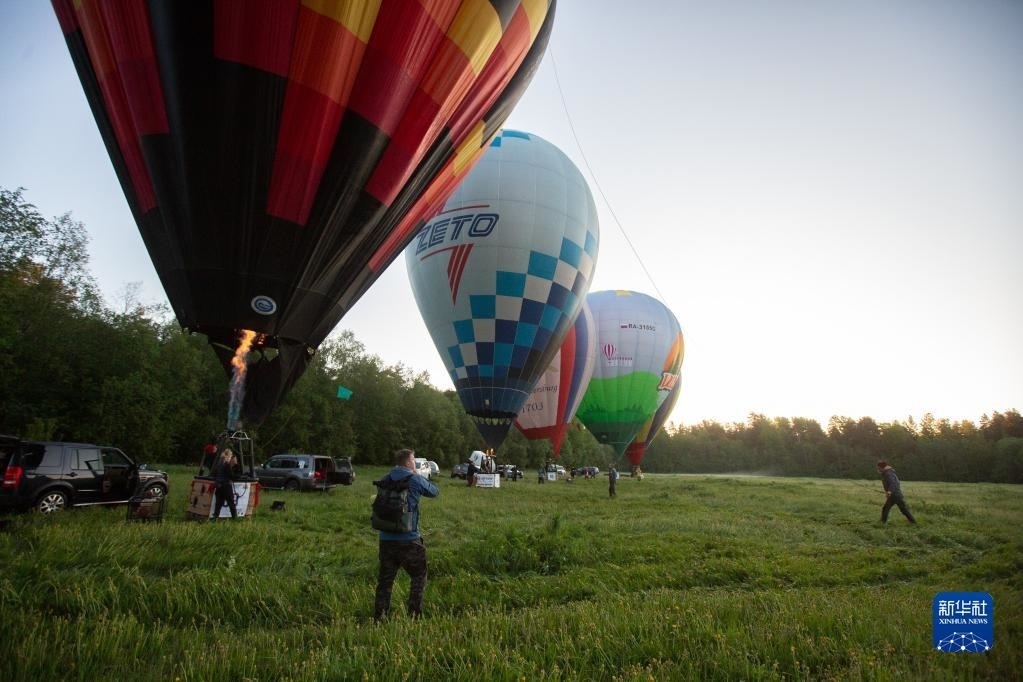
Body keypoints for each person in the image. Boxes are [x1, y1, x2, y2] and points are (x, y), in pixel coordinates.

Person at [374, 448, 439, 620]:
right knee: (419, 576)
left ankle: (380, 616)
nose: (414, 462)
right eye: (413, 459)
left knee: (385, 580)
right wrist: (417, 475)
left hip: (386, 539)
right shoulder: (415, 479)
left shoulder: (385, 479)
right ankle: (414, 615)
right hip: (409, 539)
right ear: (409, 462)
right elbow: (434, 491)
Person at [877, 460, 916, 524]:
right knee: (886, 508)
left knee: (903, 509)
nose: (878, 469)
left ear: (881, 467)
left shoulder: (888, 473)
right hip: (893, 495)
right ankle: (883, 522)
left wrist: (890, 491)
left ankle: (913, 522)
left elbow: (893, 483)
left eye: (878, 468)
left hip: (896, 494)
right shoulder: (887, 472)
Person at [211, 448, 238, 520]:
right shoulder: (227, 464)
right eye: (231, 455)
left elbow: (214, 474)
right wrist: (235, 468)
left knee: (218, 503)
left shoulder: (219, 463)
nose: (231, 457)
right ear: (229, 455)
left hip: (219, 486)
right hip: (226, 486)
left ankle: (215, 517)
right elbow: (231, 476)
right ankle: (235, 518)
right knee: (231, 502)